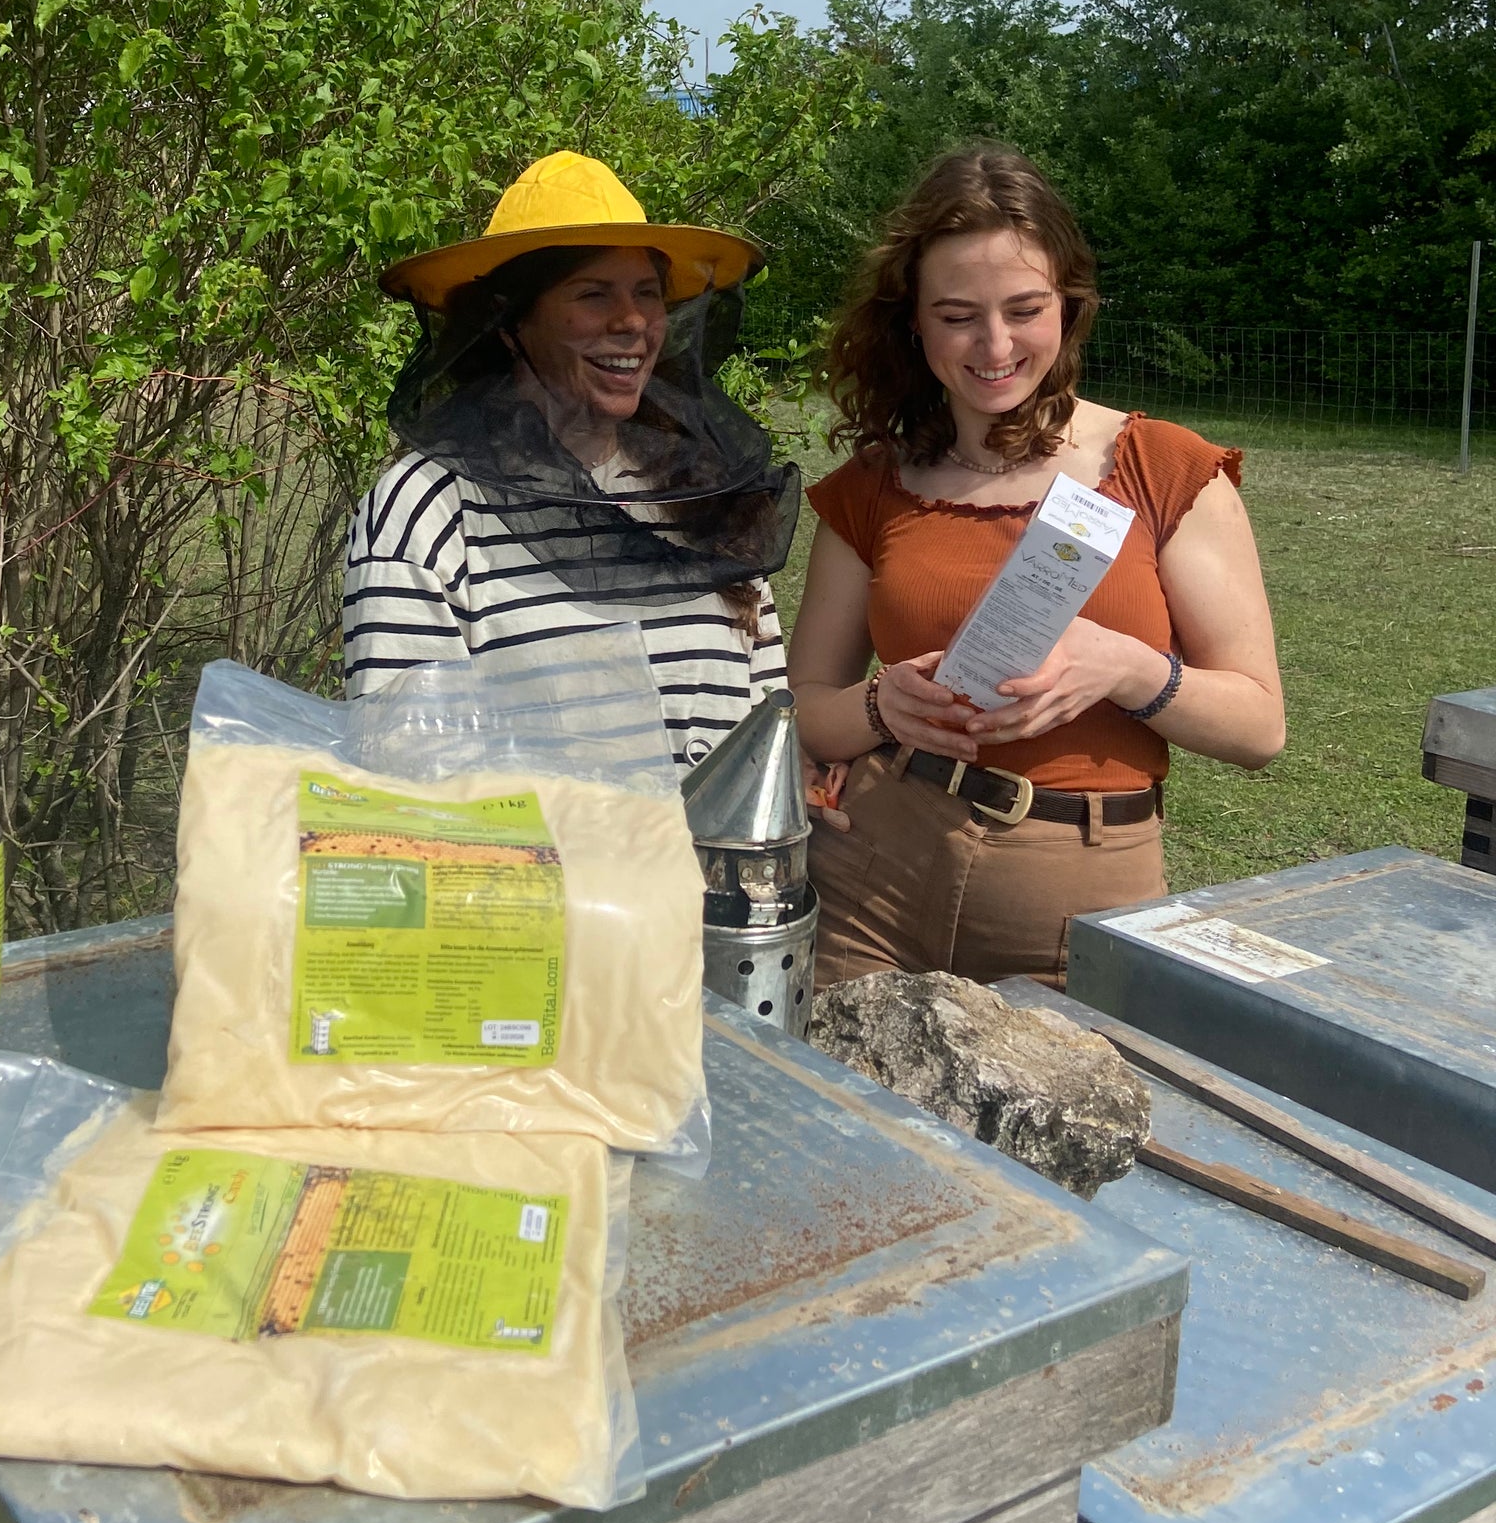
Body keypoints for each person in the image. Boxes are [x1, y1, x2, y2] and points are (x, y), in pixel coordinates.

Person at [788, 144, 1284, 987]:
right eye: (956, 315)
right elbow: (802, 711)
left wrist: (1126, 668)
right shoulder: (873, 484)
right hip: (871, 890)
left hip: (1078, 903)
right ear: (912, 318)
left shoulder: (1164, 468)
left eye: (1025, 309)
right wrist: (881, 704)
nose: (994, 344)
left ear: (1070, 305)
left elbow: (1259, 729)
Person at [345, 151, 800, 766]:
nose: (633, 321)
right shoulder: (428, 509)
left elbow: (768, 736)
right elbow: (405, 767)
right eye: (593, 294)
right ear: (511, 324)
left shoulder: (706, 489)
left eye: (647, 293)